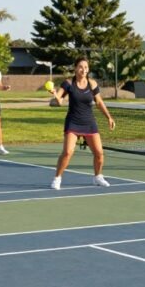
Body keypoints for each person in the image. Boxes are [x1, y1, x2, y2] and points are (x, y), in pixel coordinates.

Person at [48, 57, 116, 189]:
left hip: (89, 122)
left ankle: (98, 177)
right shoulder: (68, 83)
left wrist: (109, 117)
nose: (83, 69)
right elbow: (60, 101)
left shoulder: (92, 84)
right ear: (75, 68)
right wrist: (55, 95)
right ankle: (57, 178)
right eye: (80, 66)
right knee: (68, 152)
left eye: (86, 67)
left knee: (99, 153)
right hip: (73, 122)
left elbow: (99, 102)